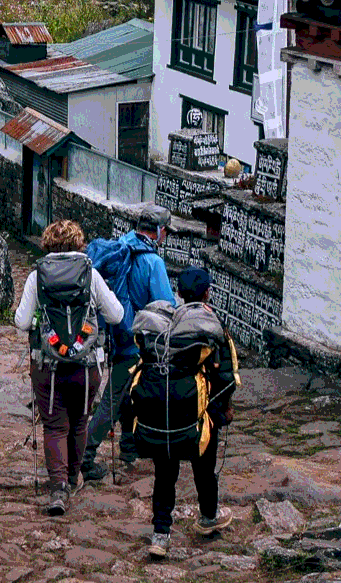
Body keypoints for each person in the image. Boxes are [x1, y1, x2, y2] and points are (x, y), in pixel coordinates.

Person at [14, 219, 124, 515]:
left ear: (48, 244)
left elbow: (22, 322)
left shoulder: (37, 276)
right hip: (87, 366)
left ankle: (58, 489)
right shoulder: (92, 275)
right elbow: (116, 315)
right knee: (79, 422)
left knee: (54, 425)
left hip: (48, 367)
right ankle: (72, 480)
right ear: (79, 244)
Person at [138, 265, 235, 558]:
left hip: (162, 410)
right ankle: (208, 518)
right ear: (207, 293)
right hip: (198, 412)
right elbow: (225, 377)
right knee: (204, 470)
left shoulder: (161, 328)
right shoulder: (210, 328)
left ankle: (160, 534)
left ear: (178, 293)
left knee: (164, 474)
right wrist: (222, 411)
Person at [80, 204, 178, 484]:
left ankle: (129, 445)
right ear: (158, 231)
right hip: (139, 340)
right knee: (114, 397)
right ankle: (85, 456)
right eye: (165, 233)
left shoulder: (120, 246)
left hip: (115, 333)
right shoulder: (152, 262)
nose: (165, 237)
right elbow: (164, 304)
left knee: (127, 391)